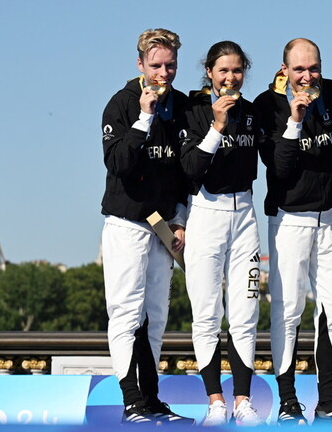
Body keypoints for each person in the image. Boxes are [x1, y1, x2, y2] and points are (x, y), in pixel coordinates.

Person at [253, 38, 332, 425]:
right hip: (289, 220)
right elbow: (278, 167)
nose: (307, 77)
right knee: (287, 311)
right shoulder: (266, 105)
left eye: (313, 68)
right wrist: (295, 119)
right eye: (299, 69)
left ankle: (329, 399)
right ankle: (287, 400)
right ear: (284, 69)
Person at [100, 28, 194, 426]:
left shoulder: (185, 107)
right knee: (126, 312)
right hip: (126, 223)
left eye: (170, 65)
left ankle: (152, 398)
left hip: (164, 226)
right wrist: (144, 117)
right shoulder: (120, 105)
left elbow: (188, 173)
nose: (164, 73)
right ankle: (131, 398)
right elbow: (118, 163)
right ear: (140, 64)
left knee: (156, 315)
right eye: (156, 65)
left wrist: (182, 221)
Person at [180, 40, 265, 427]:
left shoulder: (252, 112)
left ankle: (243, 401)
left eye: (237, 70)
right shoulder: (194, 111)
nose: (231, 78)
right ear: (209, 73)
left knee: (246, 313)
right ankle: (215, 402)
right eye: (223, 71)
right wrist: (216, 125)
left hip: (245, 212)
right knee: (207, 314)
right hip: (206, 214)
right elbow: (190, 169)